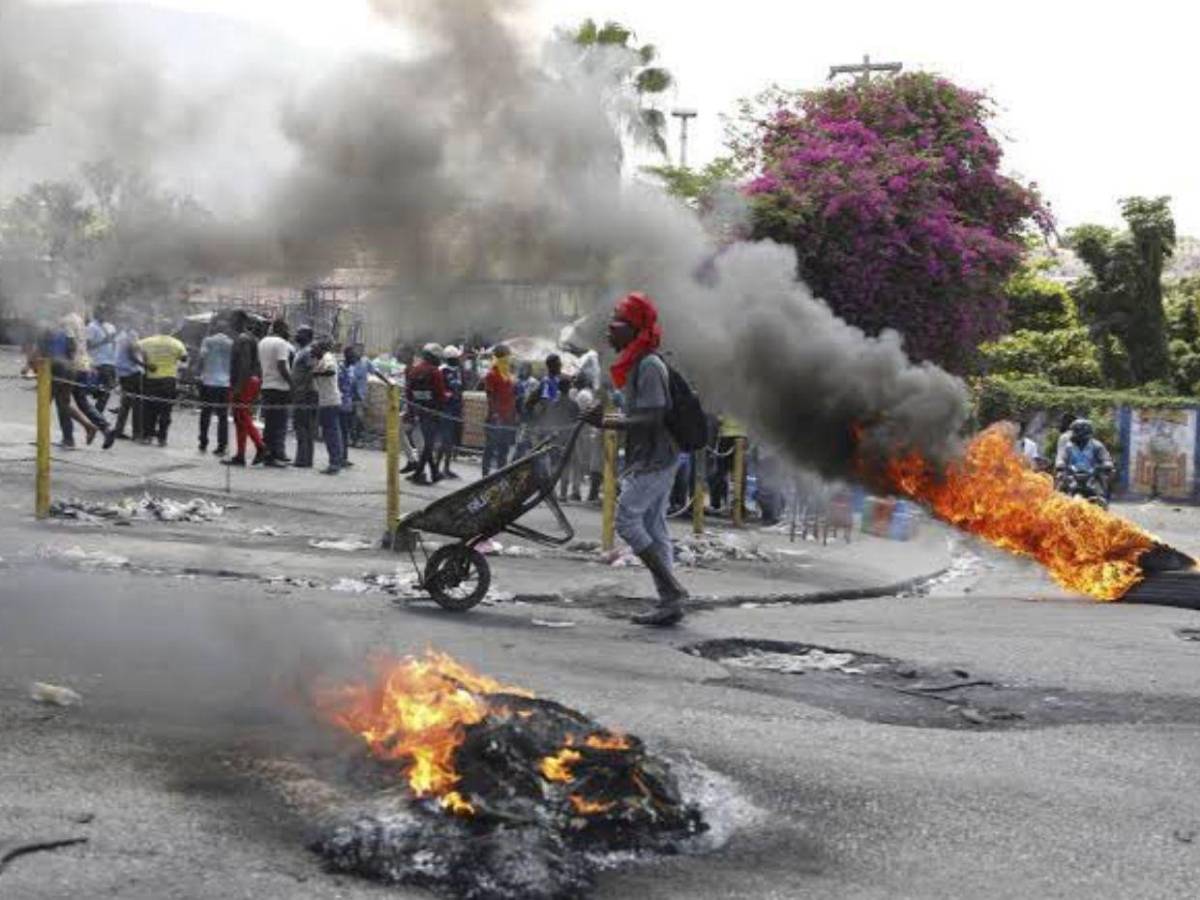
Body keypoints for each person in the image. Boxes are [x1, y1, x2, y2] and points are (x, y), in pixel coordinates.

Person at [582, 292, 686, 627]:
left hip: (657, 457)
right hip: (651, 455)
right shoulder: (638, 364)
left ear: (634, 329)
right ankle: (669, 602)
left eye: (615, 324)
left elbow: (653, 418)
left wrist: (608, 422)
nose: (609, 331)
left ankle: (671, 590)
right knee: (655, 528)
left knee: (627, 520)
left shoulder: (650, 366)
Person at [223, 311, 267, 467]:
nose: (229, 322)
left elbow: (245, 365)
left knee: (243, 416)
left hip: (245, 382)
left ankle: (261, 447)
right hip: (249, 381)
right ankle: (240, 455)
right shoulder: (247, 338)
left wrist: (237, 388)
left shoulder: (243, 339)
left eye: (231, 319)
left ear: (239, 321)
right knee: (239, 419)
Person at [405, 343, 450, 484]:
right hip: (432, 412)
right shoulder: (435, 372)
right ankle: (418, 474)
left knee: (427, 444)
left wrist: (411, 412)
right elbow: (440, 394)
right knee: (429, 444)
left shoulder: (414, 370)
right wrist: (446, 398)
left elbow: (408, 393)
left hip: (418, 410)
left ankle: (435, 473)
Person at [138, 328, 188, 446]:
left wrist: (145, 363)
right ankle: (162, 438)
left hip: (151, 379)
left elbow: (134, 349)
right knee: (166, 411)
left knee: (149, 409)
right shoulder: (177, 343)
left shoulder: (148, 341)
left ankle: (147, 436)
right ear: (171, 330)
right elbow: (184, 358)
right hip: (168, 381)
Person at [257, 319, 293, 466]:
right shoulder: (281, 343)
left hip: (266, 386)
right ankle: (273, 456)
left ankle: (267, 453)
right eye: (287, 328)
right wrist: (293, 384)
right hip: (280, 388)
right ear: (282, 328)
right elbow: (282, 366)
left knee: (269, 423)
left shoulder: (263, 342)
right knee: (279, 423)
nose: (289, 332)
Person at [197, 319, 233, 455]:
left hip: (208, 381)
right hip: (225, 383)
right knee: (223, 416)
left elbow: (202, 357)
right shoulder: (231, 343)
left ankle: (203, 442)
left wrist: (199, 373)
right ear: (226, 331)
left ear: (215, 329)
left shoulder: (208, 341)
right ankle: (221, 445)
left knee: (205, 413)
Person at [482, 343, 517, 476]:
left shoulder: (507, 374)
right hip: (496, 418)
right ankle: (485, 475)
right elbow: (490, 396)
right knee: (490, 448)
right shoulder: (492, 374)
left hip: (508, 418)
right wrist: (495, 414)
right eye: (506, 356)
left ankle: (500, 475)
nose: (508, 359)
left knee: (504, 448)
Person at [1055, 418, 1114, 494]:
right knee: (1060, 485)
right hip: (1072, 475)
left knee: (1102, 485)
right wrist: (1060, 464)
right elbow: (1061, 457)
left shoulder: (1097, 445)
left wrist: (1107, 464)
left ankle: (1102, 501)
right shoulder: (1068, 447)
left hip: (1092, 475)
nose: (1079, 438)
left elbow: (1105, 458)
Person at [312, 336, 344, 474]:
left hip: (329, 401)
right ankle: (336, 461)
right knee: (331, 432)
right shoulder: (323, 358)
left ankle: (335, 463)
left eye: (315, 347)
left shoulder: (327, 357)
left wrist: (316, 373)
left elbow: (330, 370)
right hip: (327, 400)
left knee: (331, 433)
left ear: (322, 348)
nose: (313, 349)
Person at [290, 325, 317, 468]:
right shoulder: (301, 351)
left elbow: (311, 372)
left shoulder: (308, 351)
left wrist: (302, 389)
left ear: (308, 336)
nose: (297, 335)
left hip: (305, 394)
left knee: (302, 426)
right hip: (302, 392)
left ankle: (302, 459)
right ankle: (305, 459)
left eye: (300, 333)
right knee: (303, 426)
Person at [111, 324, 144, 441]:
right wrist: (146, 365)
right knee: (137, 404)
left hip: (122, 373)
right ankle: (137, 433)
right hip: (132, 373)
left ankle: (118, 430)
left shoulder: (120, 336)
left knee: (125, 404)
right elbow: (132, 354)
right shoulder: (131, 335)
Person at [437, 345, 465, 479]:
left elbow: (460, 388)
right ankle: (437, 467)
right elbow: (439, 390)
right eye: (457, 357)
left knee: (452, 439)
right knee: (445, 440)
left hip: (456, 409)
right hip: (445, 409)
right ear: (451, 358)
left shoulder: (458, 371)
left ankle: (446, 468)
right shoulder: (442, 371)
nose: (459, 359)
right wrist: (447, 395)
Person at [86, 308, 118, 414]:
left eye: (106, 312)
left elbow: (114, 344)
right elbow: (88, 345)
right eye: (102, 312)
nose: (104, 315)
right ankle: (97, 412)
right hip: (98, 361)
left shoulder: (111, 327)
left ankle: (96, 410)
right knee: (106, 388)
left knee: (108, 387)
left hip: (110, 362)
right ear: (97, 314)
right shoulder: (91, 327)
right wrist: (103, 341)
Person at [337, 345, 360, 468]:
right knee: (340, 432)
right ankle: (339, 458)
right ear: (347, 356)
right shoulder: (340, 368)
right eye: (353, 356)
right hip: (340, 405)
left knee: (345, 432)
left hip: (349, 405)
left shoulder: (351, 369)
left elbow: (352, 386)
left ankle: (344, 458)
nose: (355, 358)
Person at [513, 362, 537, 460]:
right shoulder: (517, 382)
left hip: (530, 415)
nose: (523, 371)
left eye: (525, 368)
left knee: (526, 439)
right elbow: (514, 398)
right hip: (520, 414)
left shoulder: (533, 382)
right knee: (520, 439)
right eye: (522, 368)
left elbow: (535, 399)